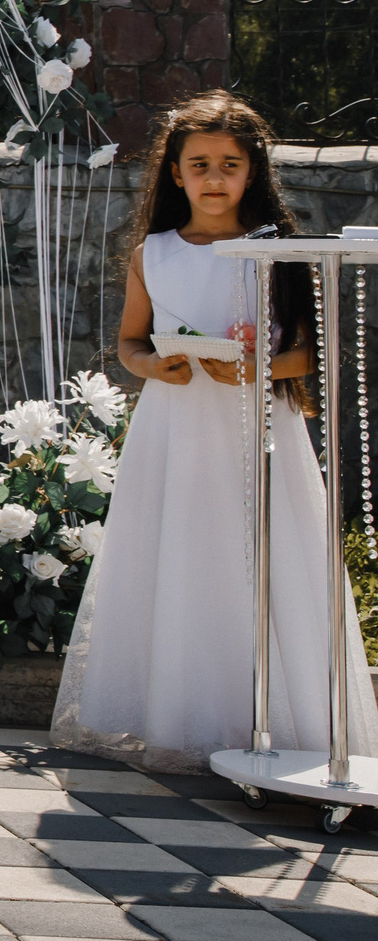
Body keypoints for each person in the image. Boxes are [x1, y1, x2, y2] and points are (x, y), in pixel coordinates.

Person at [53, 89, 378, 769]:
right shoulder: (155, 252)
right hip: (177, 432)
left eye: (229, 164)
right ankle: (180, 715)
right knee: (186, 557)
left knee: (260, 557)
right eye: (199, 164)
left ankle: (277, 721)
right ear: (175, 172)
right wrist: (156, 366)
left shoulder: (278, 249)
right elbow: (130, 342)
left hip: (258, 428)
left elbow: (309, 353)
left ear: (252, 171)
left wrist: (261, 366)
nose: (214, 177)